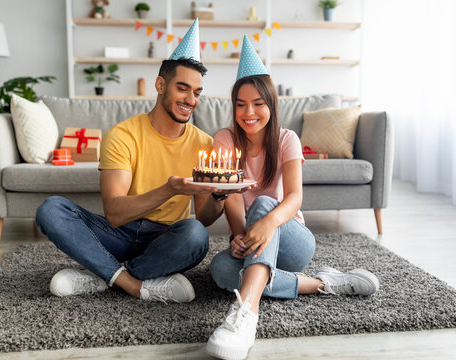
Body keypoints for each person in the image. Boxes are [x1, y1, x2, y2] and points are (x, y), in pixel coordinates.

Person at [205, 36, 380, 360]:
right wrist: (238, 234)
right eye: (241, 104)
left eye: (258, 103)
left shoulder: (287, 139)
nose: (249, 112)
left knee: (262, 203)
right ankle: (321, 283)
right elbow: (229, 197)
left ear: (272, 104)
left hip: (292, 240)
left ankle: (245, 315)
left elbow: (295, 198)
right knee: (220, 272)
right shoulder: (225, 139)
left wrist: (268, 220)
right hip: (251, 238)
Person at [36, 19, 233, 303]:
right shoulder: (123, 134)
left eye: (197, 92)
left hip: (164, 239)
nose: (191, 99)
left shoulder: (204, 143)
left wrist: (218, 197)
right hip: (116, 233)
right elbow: (115, 213)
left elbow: (203, 218)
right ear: (160, 84)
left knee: (195, 235)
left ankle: (103, 274)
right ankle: (135, 283)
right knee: (51, 209)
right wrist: (171, 189)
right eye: (183, 88)